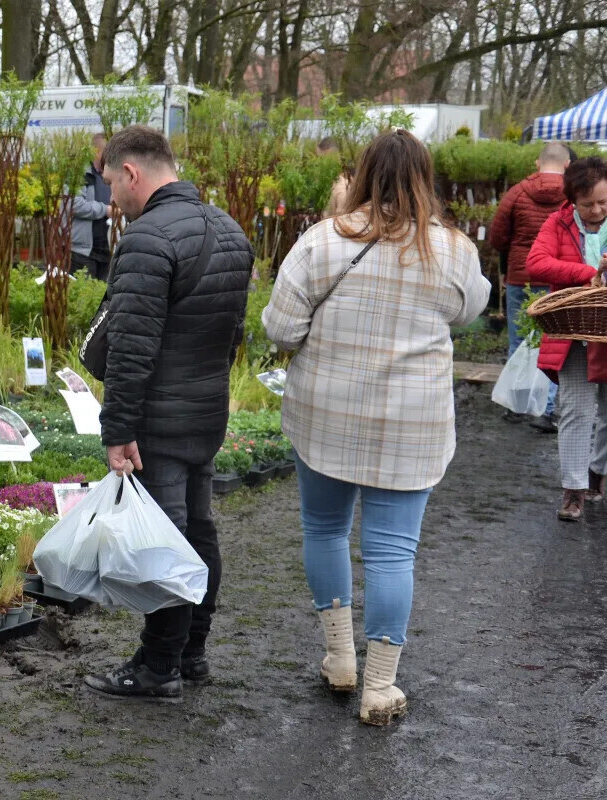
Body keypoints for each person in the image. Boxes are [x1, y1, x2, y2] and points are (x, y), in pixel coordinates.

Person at [262, 129, 489, 726]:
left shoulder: (322, 241)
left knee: (325, 529)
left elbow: (281, 329)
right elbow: (470, 312)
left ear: (363, 173)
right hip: (413, 424)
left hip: (326, 414)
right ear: (425, 178)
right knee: (393, 553)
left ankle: (339, 658)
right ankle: (380, 687)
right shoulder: (455, 251)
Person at [82, 125, 252, 703]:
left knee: (169, 539)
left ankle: (158, 668)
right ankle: (191, 651)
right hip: (207, 412)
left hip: (160, 416)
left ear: (131, 173)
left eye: (110, 183)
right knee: (198, 529)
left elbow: (131, 347)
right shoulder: (229, 230)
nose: (110, 200)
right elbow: (234, 333)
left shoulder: (148, 239)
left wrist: (119, 429)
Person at [525, 156, 607, 521]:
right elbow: (536, 263)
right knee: (576, 409)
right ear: (572, 200)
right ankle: (573, 491)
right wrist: (588, 271)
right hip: (574, 329)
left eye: (604, 202)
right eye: (588, 204)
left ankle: (597, 476)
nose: (597, 210)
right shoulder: (557, 223)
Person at [490, 142, 570, 430]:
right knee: (554, 342)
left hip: (520, 278)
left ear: (538, 163)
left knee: (518, 340)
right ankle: (548, 409)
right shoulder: (574, 196)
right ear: (567, 165)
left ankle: (517, 405)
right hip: (558, 279)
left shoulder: (516, 193)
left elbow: (497, 237)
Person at [70, 133, 113, 281]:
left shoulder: (112, 174)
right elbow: (74, 205)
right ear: (97, 152)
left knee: (104, 299)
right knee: (84, 299)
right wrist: (106, 210)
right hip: (83, 251)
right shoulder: (79, 174)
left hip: (108, 251)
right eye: (108, 152)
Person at [317, 137, 350, 218]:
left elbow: (341, 225)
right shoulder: (326, 186)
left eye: (321, 160)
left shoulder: (341, 190)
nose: (317, 164)